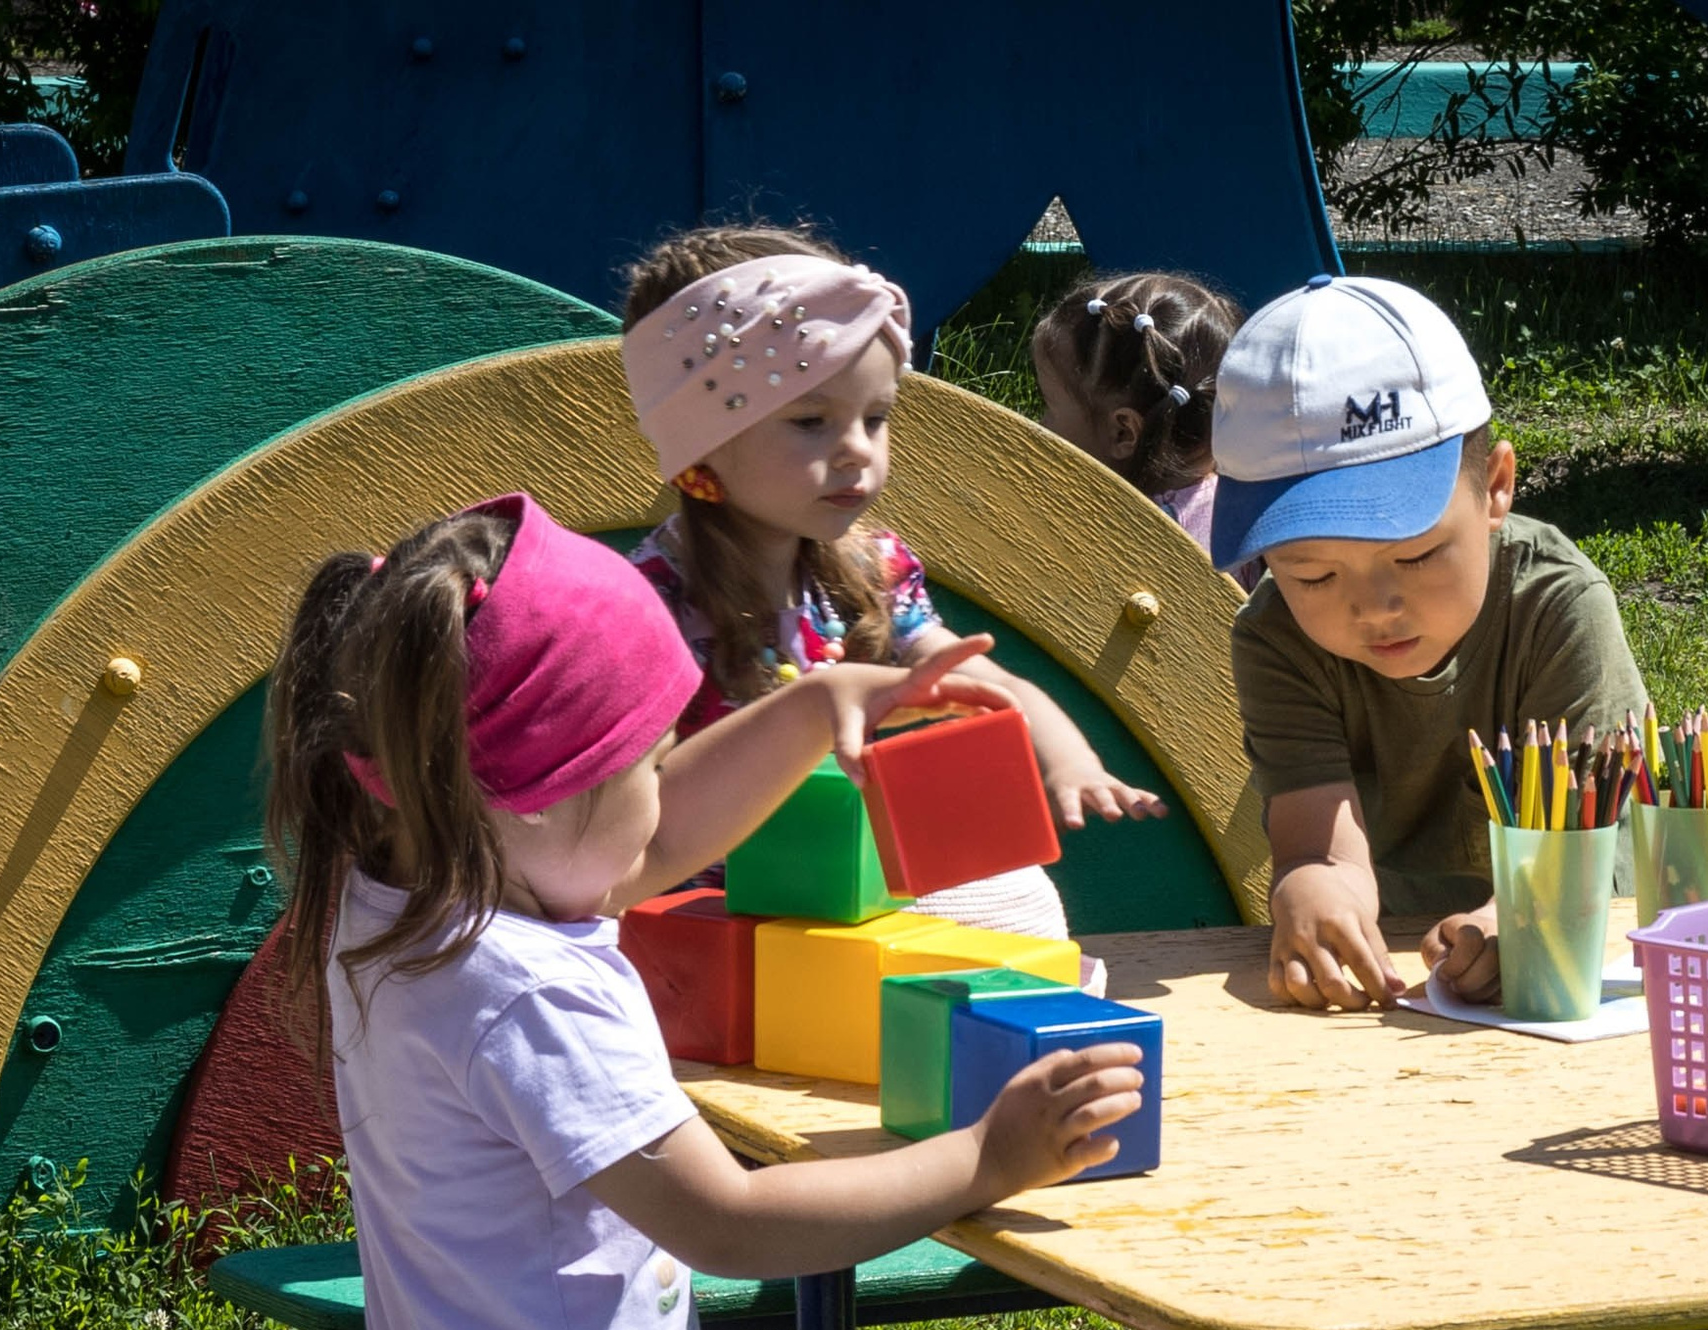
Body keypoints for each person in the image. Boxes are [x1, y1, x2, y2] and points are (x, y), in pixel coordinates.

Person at [264, 492, 1146, 1330]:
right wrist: (984, 1160)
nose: (659, 793)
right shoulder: (527, 993)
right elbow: (728, 1221)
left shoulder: (404, 891)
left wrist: (822, 703)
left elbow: (641, 837)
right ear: (524, 795)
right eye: (639, 760)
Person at [618, 225, 1166, 941]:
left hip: (853, 897)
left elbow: (977, 681)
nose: (856, 450)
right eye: (811, 422)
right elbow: (632, 817)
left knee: (1019, 901)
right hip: (707, 925)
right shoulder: (647, 607)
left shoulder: (870, 570)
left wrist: (1071, 760)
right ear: (701, 442)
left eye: (875, 418)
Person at [1212, 273, 1647, 1011]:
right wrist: (1311, 889)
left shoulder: (1556, 605)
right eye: (1312, 573)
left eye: (1414, 556)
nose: (1375, 607)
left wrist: (1518, 917)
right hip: (1406, 991)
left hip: (1589, 960)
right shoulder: (1276, 639)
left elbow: (1587, 849)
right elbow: (1319, 847)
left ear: (1498, 487)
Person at [1027, 271, 1239, 555]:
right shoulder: (1248, 516)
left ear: (1123, 432)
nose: (1037, 424)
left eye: (1048, 407)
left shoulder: (1106, 539)